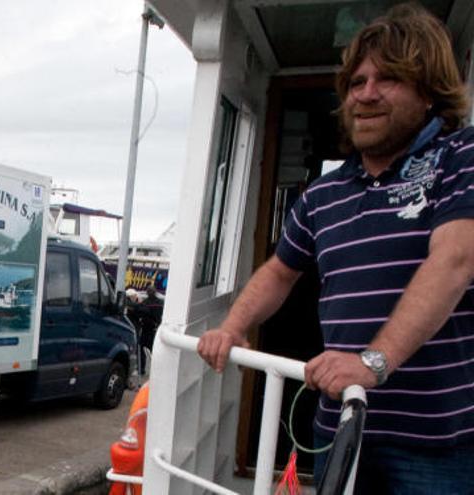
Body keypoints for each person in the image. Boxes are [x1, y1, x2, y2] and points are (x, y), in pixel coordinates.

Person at [197, 4, 474, 492]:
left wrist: (373, 362)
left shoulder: (460, 157)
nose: (364, 95)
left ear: (428, 91)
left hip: (435, 444)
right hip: (341, 431)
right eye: (355, 83)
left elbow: (455, 260)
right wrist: (232, 327)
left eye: (387, 79)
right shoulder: (324, 195)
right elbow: (281, 271)